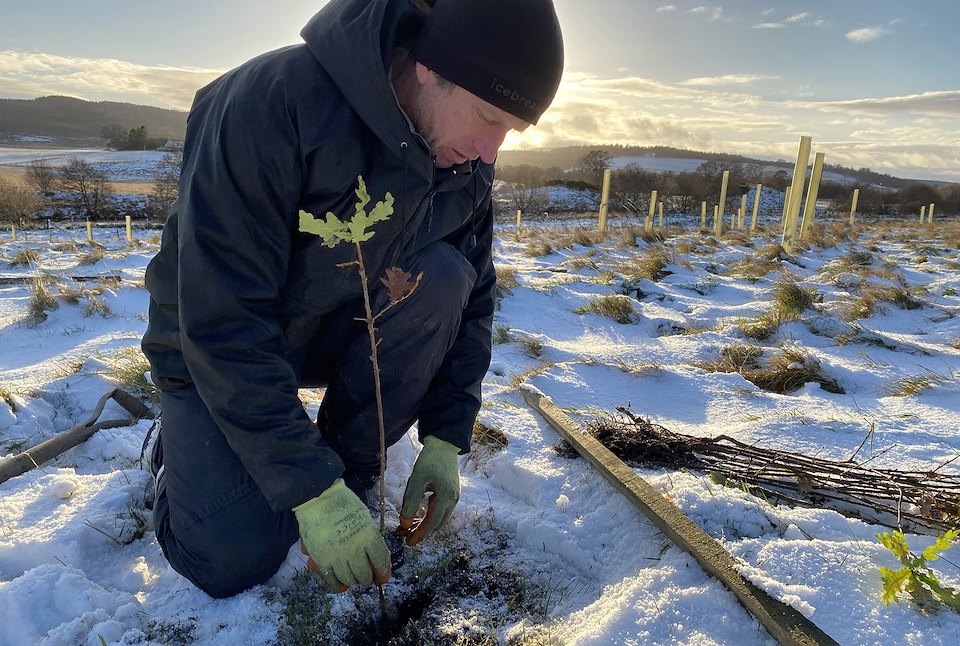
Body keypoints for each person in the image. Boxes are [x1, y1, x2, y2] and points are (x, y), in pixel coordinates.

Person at [141, 0, 564, 599]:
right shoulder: (271, 101)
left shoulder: (463, 159)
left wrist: (446, 435)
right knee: (232, 559)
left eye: (511, 133)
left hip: (336, 326)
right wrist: (311, 492)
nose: (491, 151)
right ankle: (171, 457)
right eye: (487, 118)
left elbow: (473, 299)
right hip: (216, 349)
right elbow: (221, 320)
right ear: (426, 68)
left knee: (442, 276)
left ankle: (349, 463)